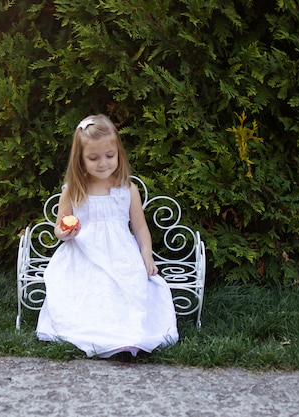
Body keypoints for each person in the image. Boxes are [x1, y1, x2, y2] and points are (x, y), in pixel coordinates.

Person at [36, 114, 179, 358]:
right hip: (83, 255)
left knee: (128, 289)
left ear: (119, 154)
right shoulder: (73, 191)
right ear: (80, 160)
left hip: (121, 255)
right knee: (91, 290)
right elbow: (58, 229)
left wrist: (147, 256)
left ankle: (126, 336)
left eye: (110, 156)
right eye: (93, 158)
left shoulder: (127, 188)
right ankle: (96, 333)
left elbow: (141, 228)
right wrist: (67, 233)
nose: (103, 163)